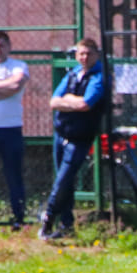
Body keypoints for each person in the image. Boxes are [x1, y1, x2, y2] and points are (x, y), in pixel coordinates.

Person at [40, 37, 106, 240]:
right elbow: (53, 101)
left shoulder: (99, 77)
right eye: (81, 53)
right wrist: (71, 101)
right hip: (61, 135)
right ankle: (66, 225)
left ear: (96, 55)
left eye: (88, 53)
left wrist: (67, 100)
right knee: (64, 183)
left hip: (80, 138)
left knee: (64, 179)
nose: (84, 57)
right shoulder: (72, 75)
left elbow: (86, 104)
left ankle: (48, 218)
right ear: (76, 55)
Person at [0, 30, 29, 230]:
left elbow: (17, 84)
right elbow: (12, 88)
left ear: (9, 46)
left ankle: (18, 218)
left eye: (1, 45)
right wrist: (8, 90)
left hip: (11, 129)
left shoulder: (19, 66)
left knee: (14, 176)